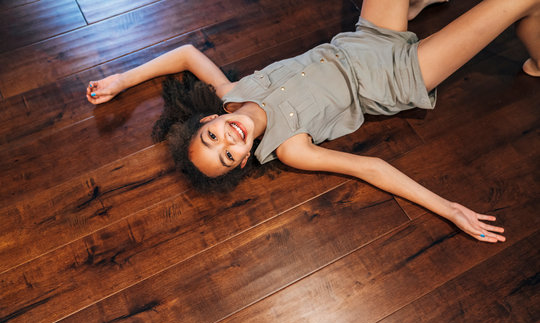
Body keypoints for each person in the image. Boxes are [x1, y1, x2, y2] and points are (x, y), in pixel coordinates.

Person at [86, 0, 540, 243]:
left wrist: (122, 80)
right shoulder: (291, 148)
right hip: (399, 75)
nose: (230, 140)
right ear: (243, 162)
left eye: (213, 136)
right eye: (228, 156)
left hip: (365, 38)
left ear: (209, 117)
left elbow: (185, 54)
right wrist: (449, 209)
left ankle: (416, 6)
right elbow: (372, 169)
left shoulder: (231, 92)